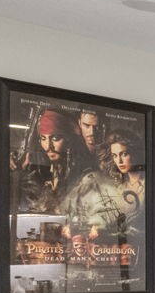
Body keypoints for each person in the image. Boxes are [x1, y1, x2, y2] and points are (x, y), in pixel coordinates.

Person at [67, 130, 146, 277]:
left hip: (143, 255)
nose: (119, 161)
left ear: (135, 152)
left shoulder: (148, 186)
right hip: (119, 254)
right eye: (115, 156)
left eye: (124, 154)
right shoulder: (118, 187)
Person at [13, 108, 76, 213]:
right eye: (43, 138)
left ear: (68, 139)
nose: (48, 147)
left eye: (55, 138)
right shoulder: (41, 171)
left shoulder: (78, 174)